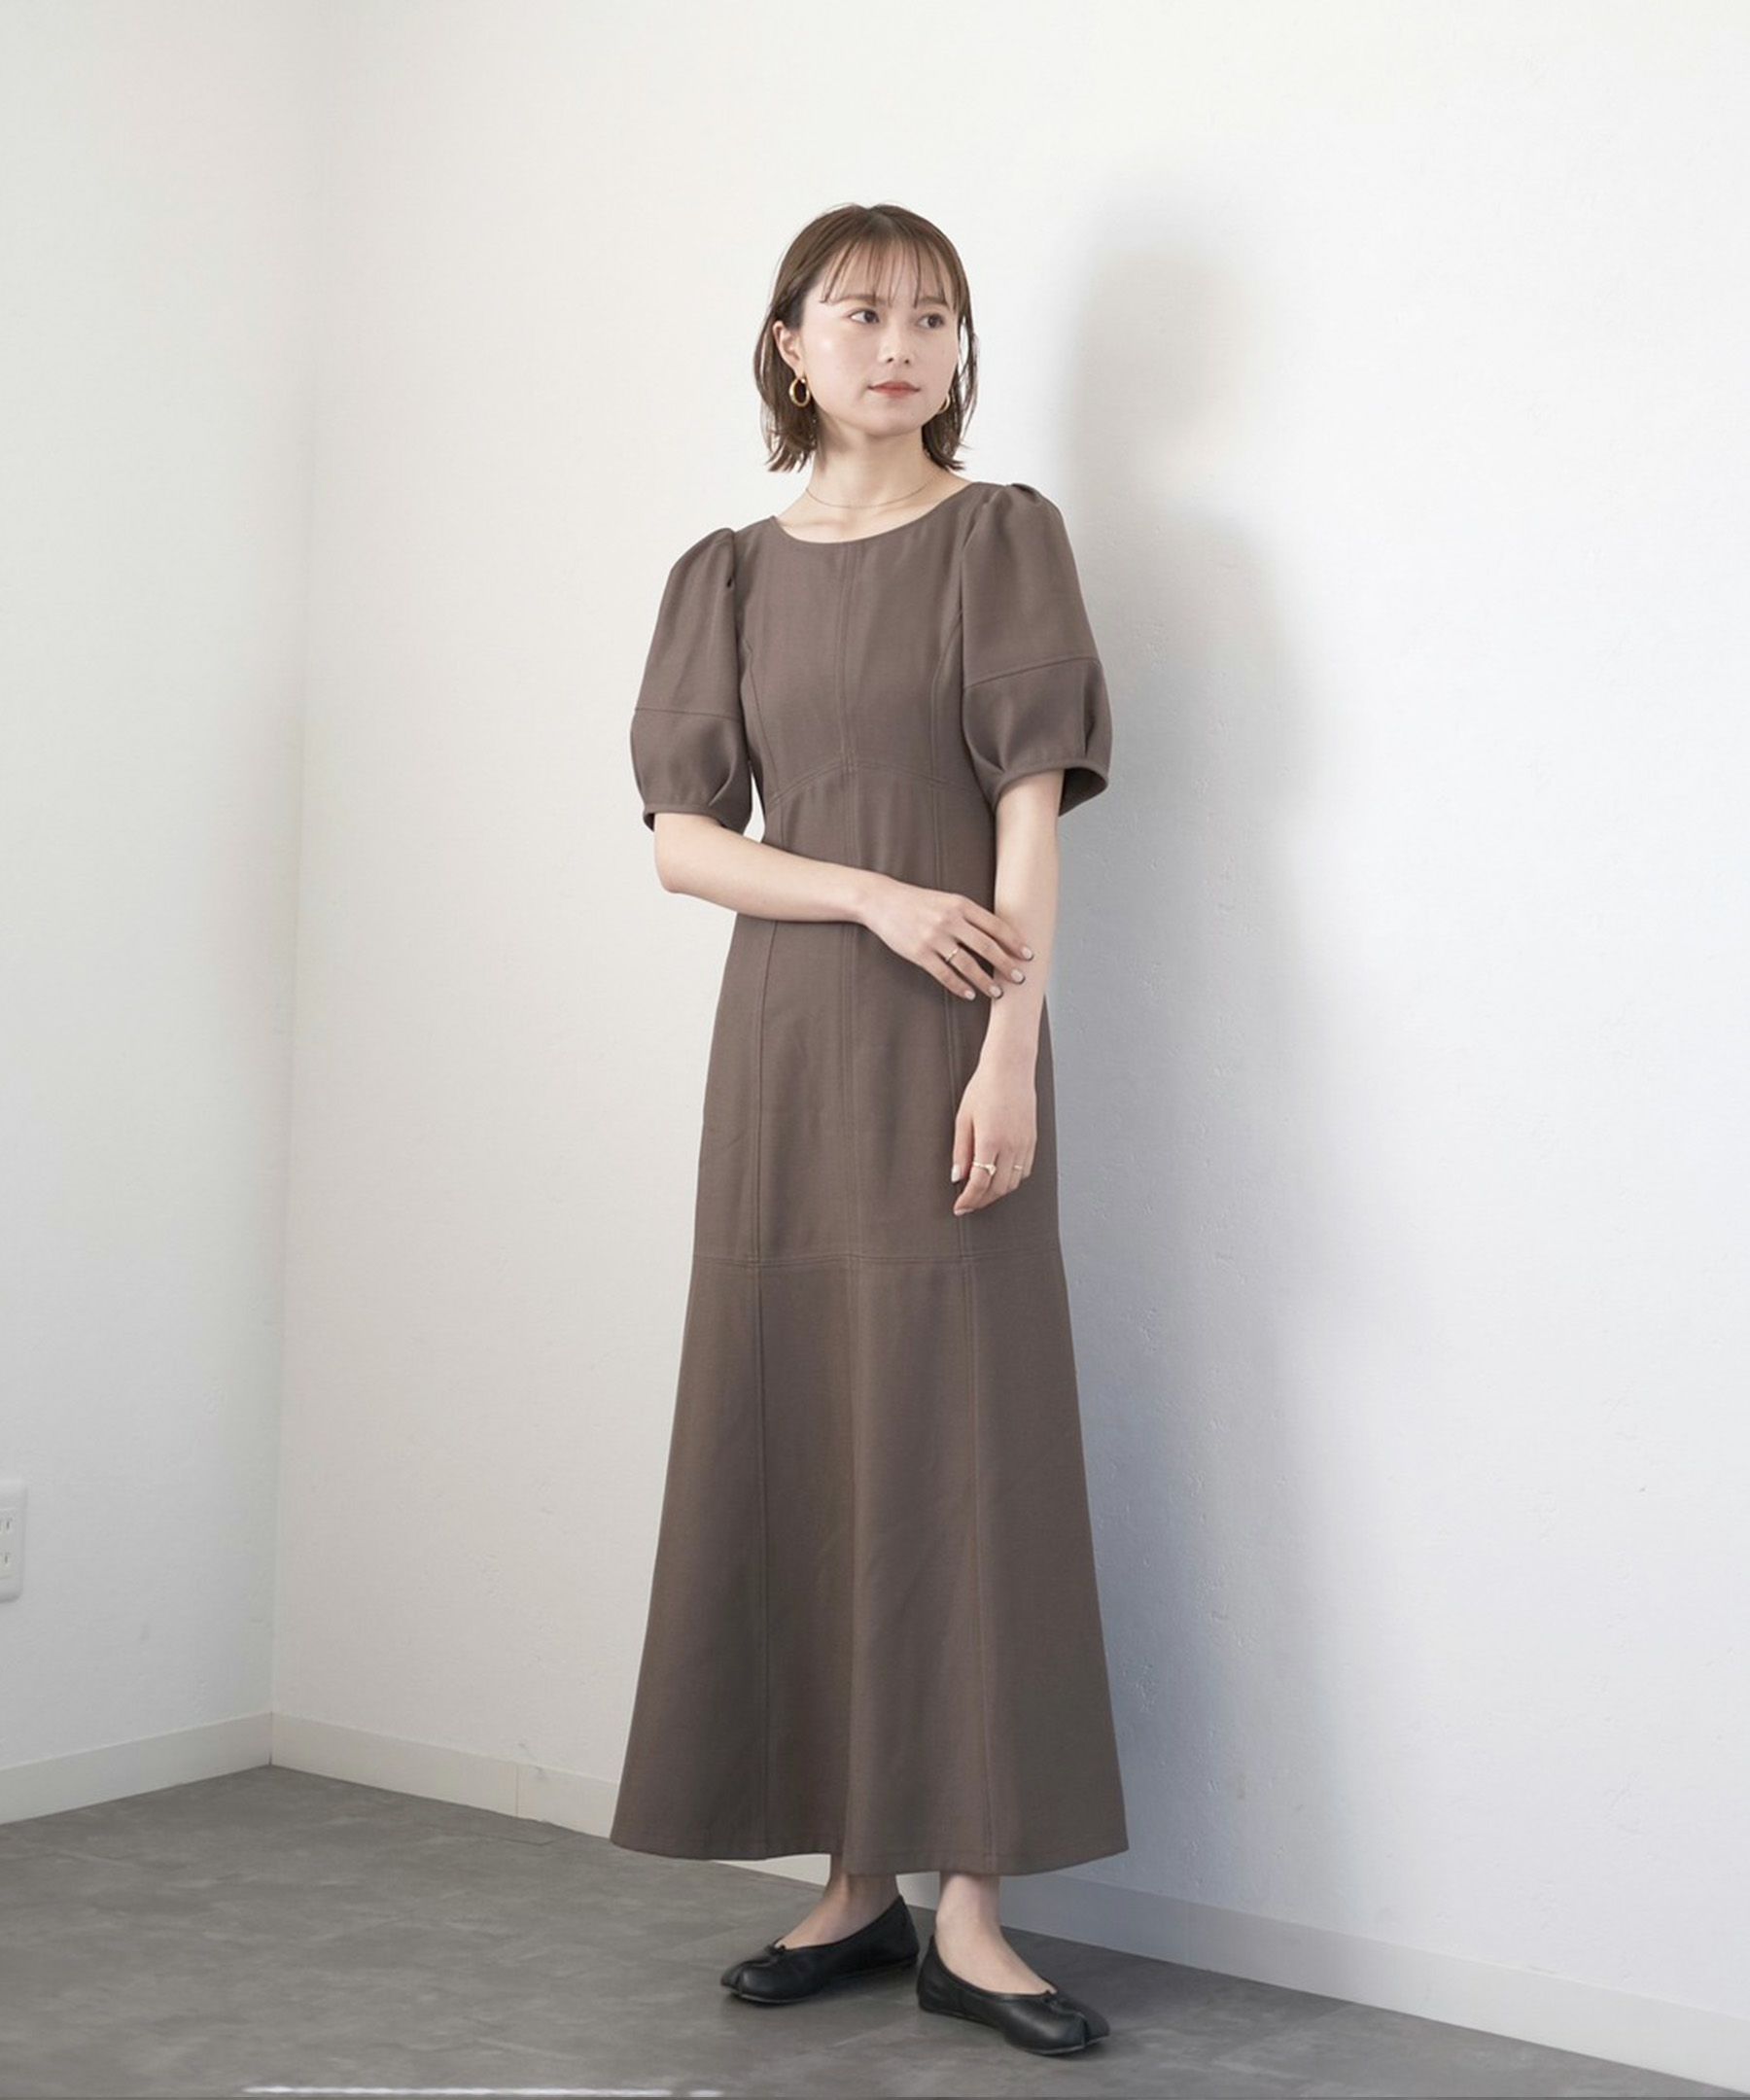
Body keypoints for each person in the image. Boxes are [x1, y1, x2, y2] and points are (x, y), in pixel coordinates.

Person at [612, 202, 1125, 2057]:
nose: (898, 346)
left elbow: (1030, 816)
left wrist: (1009, 1052)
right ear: (790, 343)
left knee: (962, 1447)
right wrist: (869, 895)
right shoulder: (728, 574)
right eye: (860, 313)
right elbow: (686, 846)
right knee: (809, 1422)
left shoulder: (1003, 538)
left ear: (960, 349)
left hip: (952, 1042)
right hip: (785, 1050)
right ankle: (850, 1881)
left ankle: (970, 1910)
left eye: (932, 316)